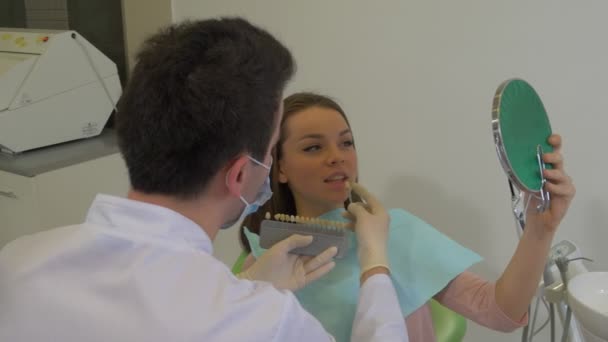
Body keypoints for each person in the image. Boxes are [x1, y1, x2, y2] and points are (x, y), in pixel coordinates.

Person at [0, 19, 409, 341]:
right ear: (239, 174)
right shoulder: (264, 322)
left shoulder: (17, 262)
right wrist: (374, 261)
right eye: (271, 152)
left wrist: (245, 285)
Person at [240, 92, 576, 342]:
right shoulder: (262, 260)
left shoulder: (395, 232)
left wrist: (540, 228)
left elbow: (499, 311)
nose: (337, 158)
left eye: (346, 143)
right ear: (279, 166)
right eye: (313, 147)